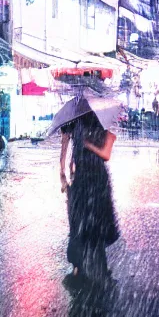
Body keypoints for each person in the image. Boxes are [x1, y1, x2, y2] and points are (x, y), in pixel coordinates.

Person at [62, 112, 119, 282]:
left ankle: (99, 264)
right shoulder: (77, 124)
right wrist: (64, 174)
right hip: (81, 178)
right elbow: (67, 146)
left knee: (97, 221)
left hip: (98, 180)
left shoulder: (106, 130)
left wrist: (88, 144)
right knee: (79, 221)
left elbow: (106, 154)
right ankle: (78, 263)